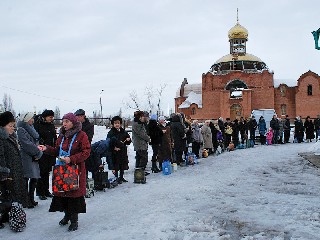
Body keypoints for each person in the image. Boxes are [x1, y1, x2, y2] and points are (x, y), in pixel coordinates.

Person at [39, 113, 91, 231]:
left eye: (67, 121)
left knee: (73, 194)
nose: (64, 124)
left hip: (75, 170)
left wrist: (71, 159)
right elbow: (57, 150)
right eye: (63, 121)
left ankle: (74, 219)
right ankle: (67, 215)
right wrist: (46, 148)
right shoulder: (61, 136)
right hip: (62, 170)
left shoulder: (81, 135)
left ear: (73, 122)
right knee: (64, 193)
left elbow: (86, 152)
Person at [0, 111, 30, 209]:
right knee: (6, 197)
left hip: (15, 172)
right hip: (7, 175)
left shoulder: (11, 137)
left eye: (13, 125)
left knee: (13, 197)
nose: (13, 128)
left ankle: (10, 215)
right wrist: (4, 173)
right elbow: (1, 157)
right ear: (2, 126)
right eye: (10, 126)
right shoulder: (2, 139)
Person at [17, 112, 43, 208]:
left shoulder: (31, 128)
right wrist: (37, 152)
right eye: (31, 118)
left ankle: (31, 199)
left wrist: (38, 150)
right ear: (26, 119)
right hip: (26, 157)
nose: (33, 120)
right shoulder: (21, 129)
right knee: (26, 179)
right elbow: (26, 144)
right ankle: (25, 200)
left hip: (33, 156)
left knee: (34, 178)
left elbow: (35, 142)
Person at [34, 110, 57, 200]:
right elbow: (36, 137)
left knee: (47, 171)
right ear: (45, 117)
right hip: (41, 151)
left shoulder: (51, 125)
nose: (52, 119)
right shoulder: (38, 125)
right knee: (41, 171)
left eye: (52, 117)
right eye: (50, 117)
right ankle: (40, 192)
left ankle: (46, 190)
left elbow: (54, 136)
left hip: (50, 151)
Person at [107, 116, 131, 183]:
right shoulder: (111, 133)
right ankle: (116, 178)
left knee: (122, 164)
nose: (117, 124)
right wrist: (114, 148)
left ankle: (121, 177)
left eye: (118, 123)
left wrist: (128, 139)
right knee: (116, 165)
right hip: (115, 152)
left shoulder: (123, 131)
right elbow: (108, 142)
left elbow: (128, 140)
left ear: (120, 124)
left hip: (123, 150)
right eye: (115, 123)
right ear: (113, 124)